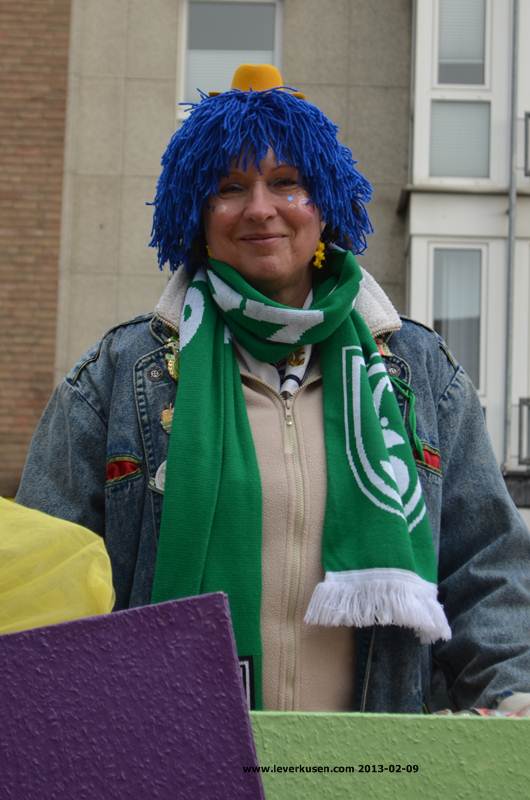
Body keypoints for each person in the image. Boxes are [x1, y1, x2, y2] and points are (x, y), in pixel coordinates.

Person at [16, 64, 530, 714]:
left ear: (326, 204)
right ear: (196, 213)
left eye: (287, 182)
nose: (260, 208)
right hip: (172, 756)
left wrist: (513, 700)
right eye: (229, 187)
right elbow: (43, 587)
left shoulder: (421, 372)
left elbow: (486, 568)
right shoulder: (114, 376)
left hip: (372, 761)